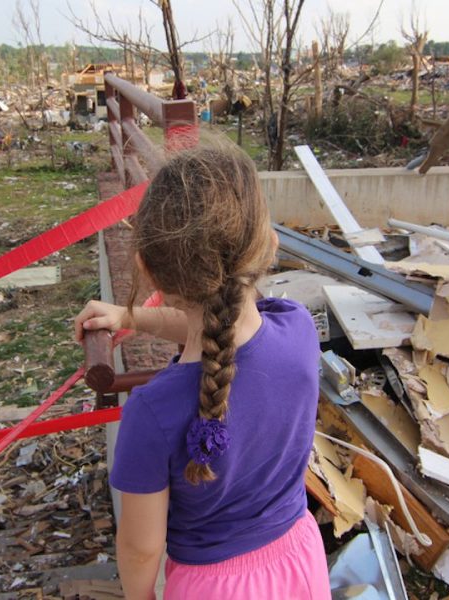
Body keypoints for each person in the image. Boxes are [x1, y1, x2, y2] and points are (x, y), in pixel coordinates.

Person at [74, 145, 330, 600]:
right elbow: (222, 329)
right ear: (268, 244)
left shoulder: (152, 412)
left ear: (149, 272)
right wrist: (130, 317)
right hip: (299, 563)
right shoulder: (300, 330)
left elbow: (139, 548)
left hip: (210, 587)